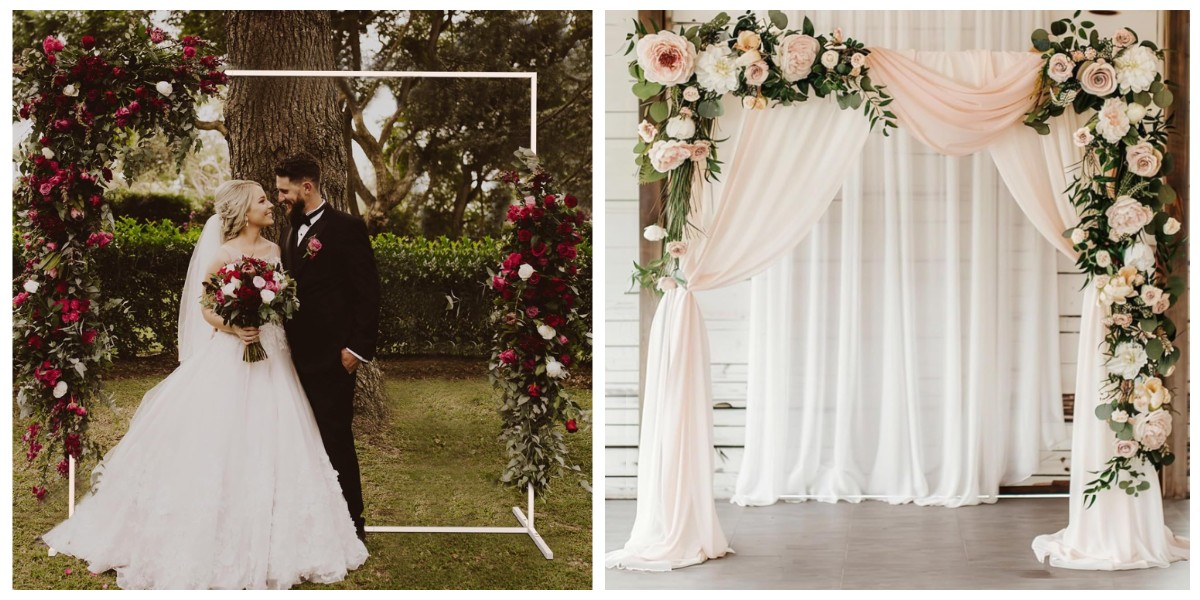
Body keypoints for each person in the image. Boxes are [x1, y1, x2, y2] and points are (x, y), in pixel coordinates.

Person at [41, 180, 368, 589]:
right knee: (221, 439)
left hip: (274, 354)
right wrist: (235, 328)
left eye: (269, 198)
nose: (270, 205)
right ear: (243, 211)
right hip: (233, 354)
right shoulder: (224, 254)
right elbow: (206, 308)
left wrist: (268, 313)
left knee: (277, 434)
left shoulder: (275, 250)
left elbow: (285, 297)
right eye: (262, 201)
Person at [275, 153, 380, 542]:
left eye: (285, 190)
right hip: (292, 358)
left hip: (334, 358)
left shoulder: (348, 228)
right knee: (301, 439)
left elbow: (368, 294)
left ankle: (353, 524)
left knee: (335, 438)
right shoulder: (289, 231)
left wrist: (356, 348)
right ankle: (314, 520)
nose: (280, 197)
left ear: (308, 186)